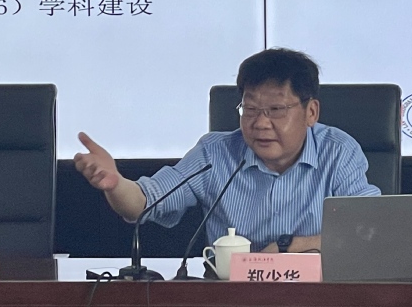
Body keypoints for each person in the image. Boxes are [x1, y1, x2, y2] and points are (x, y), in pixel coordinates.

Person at [74, 48, 380, 253]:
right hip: (231, 297)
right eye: (250, 109)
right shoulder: (215, 153)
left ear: (311, 112)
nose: (260, 123)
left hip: (317, 297)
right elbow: (145, 203)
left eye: (275, 110)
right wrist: (115, 184)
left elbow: (368, 231)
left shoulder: (338, 152)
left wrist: (287, 246)